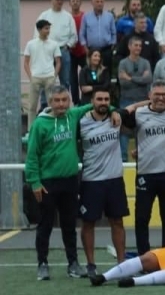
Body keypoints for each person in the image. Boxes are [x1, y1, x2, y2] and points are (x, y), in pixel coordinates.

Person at [24, 85, 103, 280]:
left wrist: (111, 111)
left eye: (64, 100)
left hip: (69, 181)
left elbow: (92, 106)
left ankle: (73, 264)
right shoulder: (40, 125)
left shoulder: (72, 115)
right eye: (57, 100)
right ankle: (42, 263)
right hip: (47, 183)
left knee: (69, 225)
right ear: (50, 102)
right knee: (45, 225)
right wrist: (34, 182)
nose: (61, 104)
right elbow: (32, 156)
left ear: (69, 101)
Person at [120, 80, 165, 255]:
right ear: (149, 96)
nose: (161, 98)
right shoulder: (139, 113)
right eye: (157, 94)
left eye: (164, 95)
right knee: (141, 218)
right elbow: (121, 114)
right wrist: (139, 104)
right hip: (145, 174)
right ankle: (144, 256)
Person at [78, 89, 128, 278]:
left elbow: (132, 108)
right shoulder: (81, 121)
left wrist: (117, 111)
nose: (103, 102)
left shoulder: (115, 118)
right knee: (89, 222)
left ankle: (122, 264)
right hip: (91, 180)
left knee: (117, 221)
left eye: (107, 99)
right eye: (99, 99)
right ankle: (91, 264)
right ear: (92, 101)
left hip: (114, 179)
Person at [34, 0, 77, 96]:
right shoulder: (44, 15)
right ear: (52, 0)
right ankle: (45, 104)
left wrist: (68, 46)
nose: (59, 1)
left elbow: (74, 36)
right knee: (46, 79)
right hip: (47, 51)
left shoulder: (68, 16)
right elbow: (36, 33)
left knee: (65, 80)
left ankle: (64, 102)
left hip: (63, 51)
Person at [117, 36, 152, 161]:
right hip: (126, 100)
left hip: (142, 101)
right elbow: (123, 83)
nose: (138, 48)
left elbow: (148, 80)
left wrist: (130, 78)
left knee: (142, 130)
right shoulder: (123, 63)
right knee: (123, 131)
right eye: (136, 45)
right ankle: (123, 160)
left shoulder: (145, 62)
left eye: (140, 46)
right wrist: (140, 79)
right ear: (129, 46)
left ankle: (143, 158)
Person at [24, 20, 61, 128]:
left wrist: (54, 76)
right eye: (46, 28)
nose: (48, 31)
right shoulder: (31, 44)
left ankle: (51, 126)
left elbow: (58, 62)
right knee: (32, 106)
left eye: (49, 28)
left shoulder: (54, 44)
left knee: (51, 104)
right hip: (35, 77)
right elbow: (26, 62)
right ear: (39, 30)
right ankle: (31, 129)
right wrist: (31, 77)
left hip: (49, 76)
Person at [79, 0, 116, 70]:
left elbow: (113, 33)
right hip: (91, 50)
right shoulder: (86, 16)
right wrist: (85, 48)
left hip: (106, 50)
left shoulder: (109, 16)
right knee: (92, 72)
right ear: (92, 3)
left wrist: (112, 45)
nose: (99, 4)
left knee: (106, 72)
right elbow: (82, 34)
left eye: (101, 2)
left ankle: (106, 82)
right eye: (97, 1)